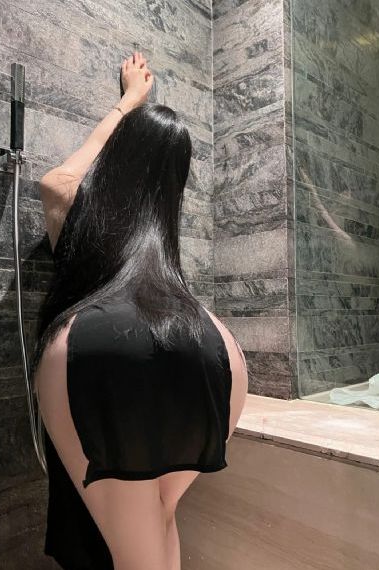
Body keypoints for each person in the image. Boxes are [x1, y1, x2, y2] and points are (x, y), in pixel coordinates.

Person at [32, 51, 248, 570]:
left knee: (129, 548)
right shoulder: (163, 257)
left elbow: (56, 181)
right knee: (160, 521)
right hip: (215, 346)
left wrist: (127, 104)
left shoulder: (86, 223)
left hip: (95, 348)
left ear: (116, 162)